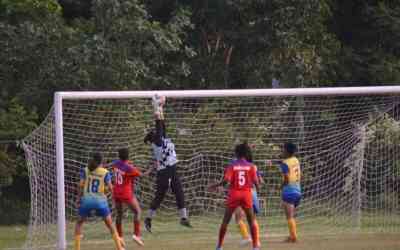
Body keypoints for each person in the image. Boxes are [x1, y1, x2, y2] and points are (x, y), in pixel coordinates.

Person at [143, 95, 191, 232]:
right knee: (160, 196)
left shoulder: (162, 139)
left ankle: (183, 218)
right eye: (156, 134)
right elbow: (158, 125)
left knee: (179, 192)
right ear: (154, 138)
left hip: (171, 169)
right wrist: (156, 108)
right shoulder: (157, 143)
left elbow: (162, 125)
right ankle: (148, 219)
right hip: (165, 172)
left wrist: (161, 107)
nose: (158, 133)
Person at [208, 143, 261, 250]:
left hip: (234, 194)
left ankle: (219, 246)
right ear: (246, 154)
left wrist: (215, 185)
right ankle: (255, 246)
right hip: (246, 194)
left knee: (225, 221)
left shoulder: (232, 165)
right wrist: (258, 191)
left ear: (236, 153)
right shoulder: (251, 166)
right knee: (251, 221)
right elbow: (256, 182)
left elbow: (226, 180)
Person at [74, 153, 123, 250]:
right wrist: (113, 199)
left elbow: (80, 185)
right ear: (102, 161)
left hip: (87, 201)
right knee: (110, 225)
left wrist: (78, 198)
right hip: (100, 202)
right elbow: (110, 188)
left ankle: (77, 249)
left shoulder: (85, 170)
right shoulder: (105, 172)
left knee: (79, 223)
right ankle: (119, 248)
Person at [268, 142, 301, 242]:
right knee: (291, 216)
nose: (282, 150)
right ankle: (292, 235)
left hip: (289, 191)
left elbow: (286, 178)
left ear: (286, 151)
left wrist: (280, 186)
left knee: (289, 216)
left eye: (283, 149)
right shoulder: (296, 160)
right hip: (298, 190)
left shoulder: (285, 163)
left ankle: (293, 236)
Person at [111, 148, 144, 246]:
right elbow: (141, 175)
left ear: (119, 156)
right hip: (126, 193)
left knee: (119, 215)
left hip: (116, 192)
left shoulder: (115, 163)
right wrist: (152, 168)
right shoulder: (130, 168)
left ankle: (120, 237)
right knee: (137, 211)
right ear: (128, 156)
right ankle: (136, 235)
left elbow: (122, 166)